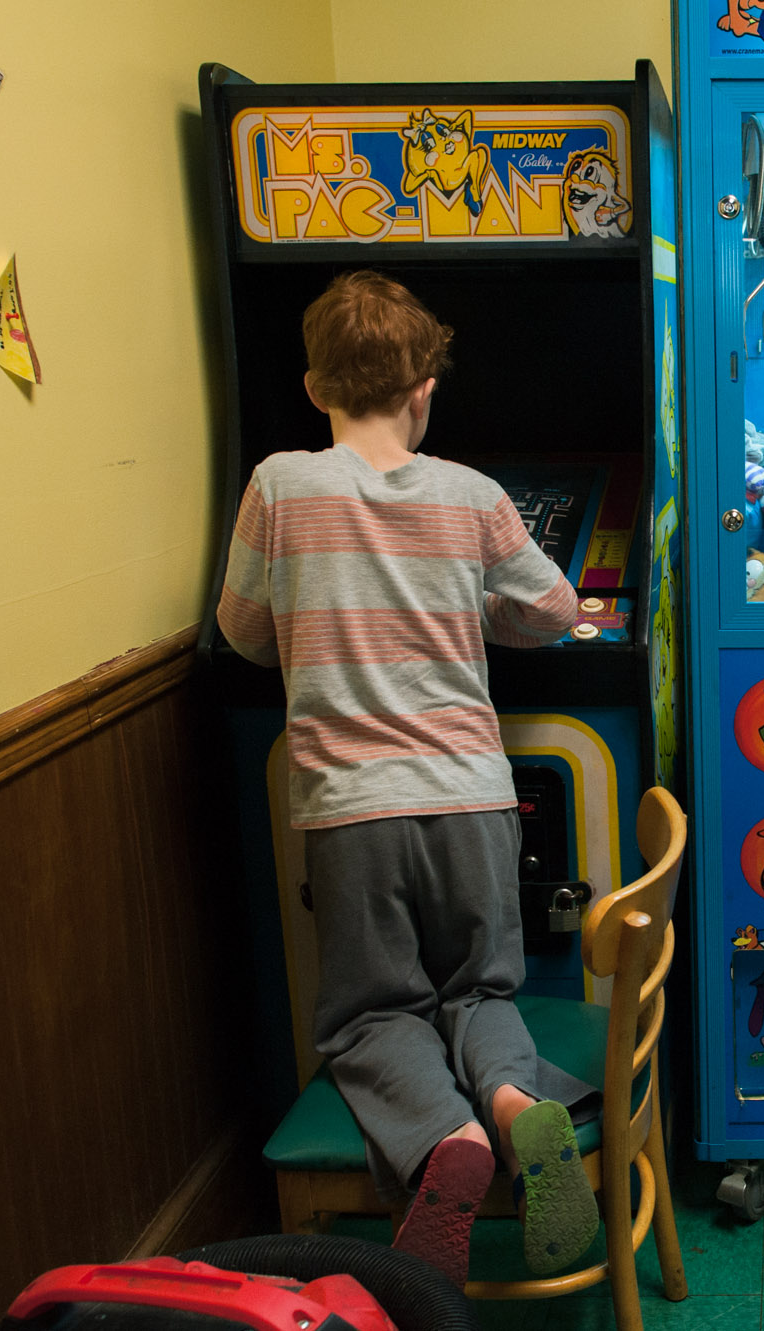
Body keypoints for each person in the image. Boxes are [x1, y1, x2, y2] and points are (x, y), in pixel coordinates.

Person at [216, 270, 596, 1284]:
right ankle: (514, 1105)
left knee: (372, 1011)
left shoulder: (278, 485)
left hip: (352, 809)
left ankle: (441, 1140)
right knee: (481, 985)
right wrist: (478, 612)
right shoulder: (472, 496)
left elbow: (241, 632)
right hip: (470, 793)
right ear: (426, 385)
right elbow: (555, 610)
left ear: (311, 386)